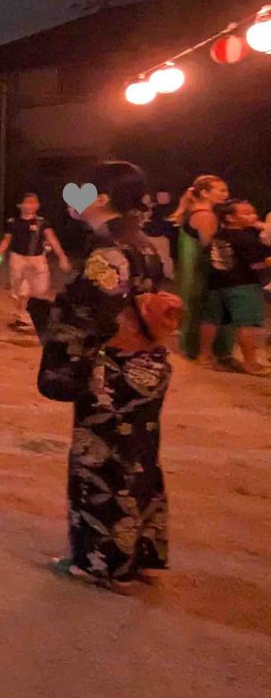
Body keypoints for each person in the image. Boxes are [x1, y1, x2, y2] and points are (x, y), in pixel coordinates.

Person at [40, 161, 183, 591]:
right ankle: (137, 553)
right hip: (147, 367)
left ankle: (101, 561)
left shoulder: (108, 254)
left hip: (112, 369)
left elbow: (89, 316)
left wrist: (55, 325)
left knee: (101, 465)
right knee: (138, 458)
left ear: (99, 198)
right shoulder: (144, 245)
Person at [199, 199, 271, 375]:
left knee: (211, 320)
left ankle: (204, 357)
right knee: (246, 324)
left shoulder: (219, 235)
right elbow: (258, 264)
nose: (253, 216)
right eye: (246, 213)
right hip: (243, 286)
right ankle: (251, 363)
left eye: (253, 212)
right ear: (230, 218)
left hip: (216, 284)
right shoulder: (247, 239)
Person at [171, 174, 235, 363]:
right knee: (210, 312)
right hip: (204, 274)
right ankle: (208, 351)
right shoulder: (205, 216)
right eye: (221, 190)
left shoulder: (193, 212)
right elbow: (212, 248)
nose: (226, 194)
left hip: (193, 274)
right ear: (205, 193)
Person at [0, 193, 71, 329]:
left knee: (40, 289)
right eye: (27, 202)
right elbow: (7, 240)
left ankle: (35, 316)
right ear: (20, 205)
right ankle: (22, 318)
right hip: (18, 259)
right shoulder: (13, 223)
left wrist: (62, 257)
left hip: (37, 259)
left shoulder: (42, 223)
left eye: (34, 202)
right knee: (21, 291)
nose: (31, 205)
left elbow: (52, 240)